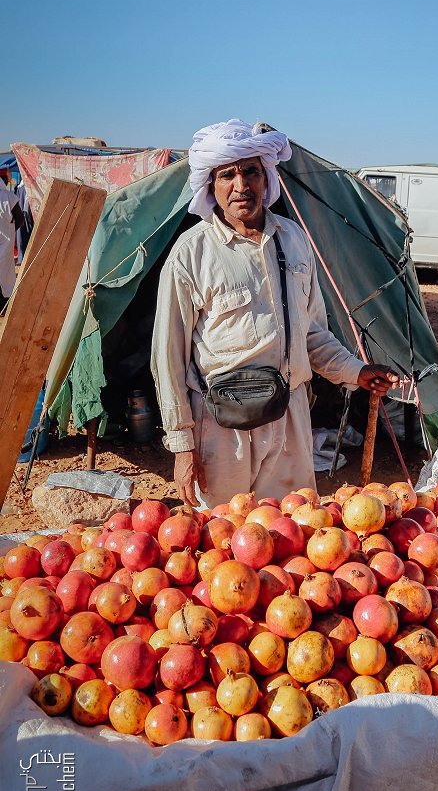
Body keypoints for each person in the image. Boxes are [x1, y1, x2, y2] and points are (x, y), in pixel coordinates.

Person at [151, 119, 399, 507]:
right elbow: (168, 359)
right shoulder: (191, 253)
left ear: (266, 178)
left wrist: (356, 371)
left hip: (290, 418)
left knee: (293, 534)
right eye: (227, 174)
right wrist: (183, 446)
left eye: (251, 171)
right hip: (220, 426)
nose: (241, 185)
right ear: (211, 187)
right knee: (223, 544)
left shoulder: (295, 240)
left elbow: (313, 333)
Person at [0, 173, 25, 310]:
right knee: (6, 273)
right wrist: (10, 229)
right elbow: (20, 218)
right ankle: (5, 306)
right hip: (6, 241)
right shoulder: (10, 197)